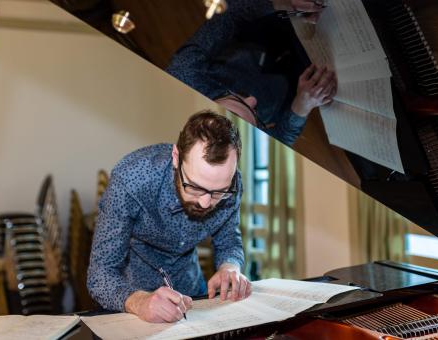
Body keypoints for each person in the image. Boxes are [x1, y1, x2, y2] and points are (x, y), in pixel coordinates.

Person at [87, 111, 250, 323]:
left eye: (219, 191)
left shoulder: (232, 185)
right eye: (195, 187)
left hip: (194, 296)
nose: (205, 202)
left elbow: (229, 240)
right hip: (131, 301)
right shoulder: (131, 180)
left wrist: (230, 266)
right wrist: (138, 302)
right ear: (176, 157)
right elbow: (100, 273)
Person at [167, 0, 336, 146]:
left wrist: (280, 3)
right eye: (257, 121)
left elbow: (229, 15)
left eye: (236, 99)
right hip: (288, 87)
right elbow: (282, 138)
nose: (253, 99)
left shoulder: (184, 74)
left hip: (261, 32)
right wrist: (301, 107)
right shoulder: (233, 153)